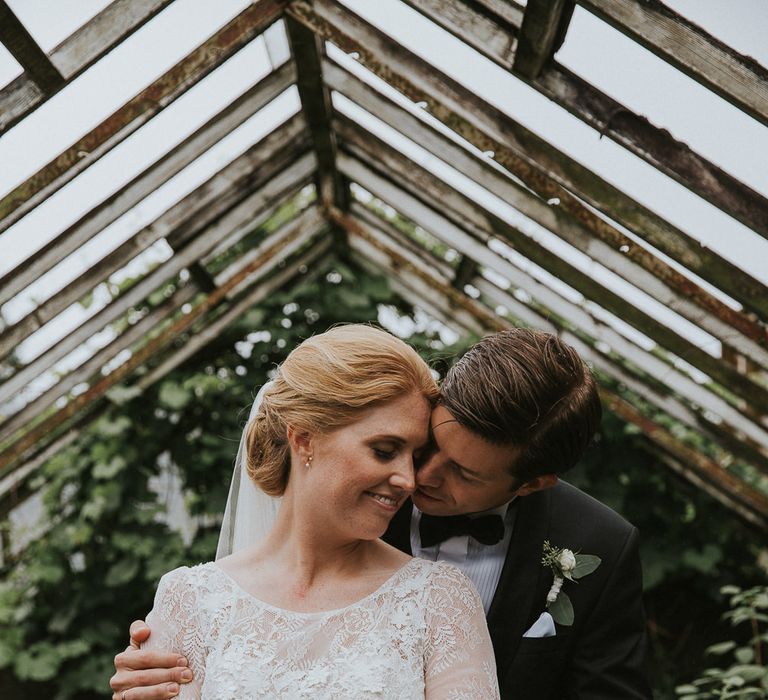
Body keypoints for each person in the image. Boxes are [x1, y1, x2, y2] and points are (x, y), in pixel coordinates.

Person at [111, 328, 651, 699]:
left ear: (532, 483)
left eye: (463, 473)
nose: (418, 478)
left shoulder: (588, 546)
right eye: (420, 448)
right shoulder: (196, 596)